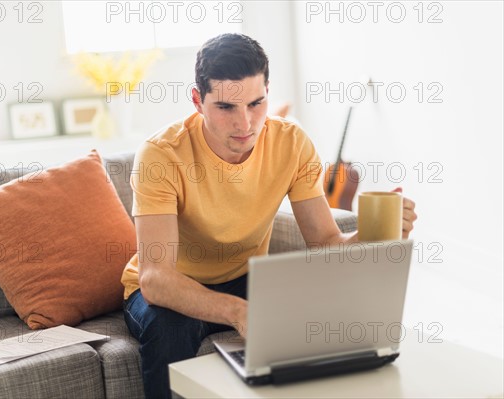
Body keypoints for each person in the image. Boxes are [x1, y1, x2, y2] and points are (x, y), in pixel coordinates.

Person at [120, 33, 417, 399]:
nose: (245, 124)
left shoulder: (291, 142)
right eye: (226, 107)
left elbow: (324, 242)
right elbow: (155, 278)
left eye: (256, 103)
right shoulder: (161, 155)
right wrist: (238, 312)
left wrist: (376, 231)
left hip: (246, 276)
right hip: (170, 287)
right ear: (198, 100)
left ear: (267, 91)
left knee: (326, 311)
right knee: (170, 329)